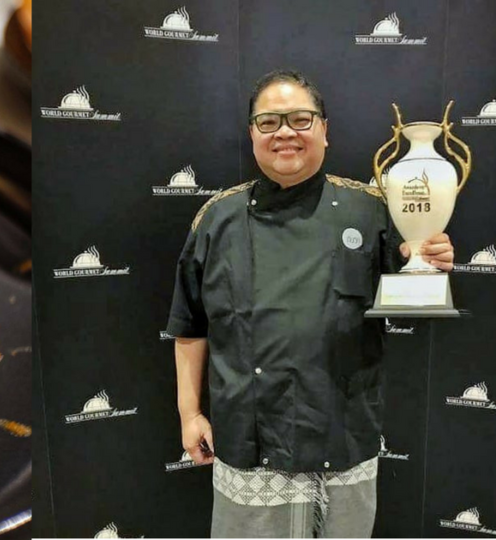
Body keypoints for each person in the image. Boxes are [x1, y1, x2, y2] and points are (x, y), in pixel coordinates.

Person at [167, 69, 454, 538]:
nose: (285, 131)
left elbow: (411, 300)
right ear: (251, 134)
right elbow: (190, 324)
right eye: (269, 121)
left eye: (301, 119)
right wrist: (189, 413)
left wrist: (429, 261)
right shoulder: (216, 219)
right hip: (249, 441)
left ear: (324, 129)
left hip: (343, 438)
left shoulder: (374, 208)